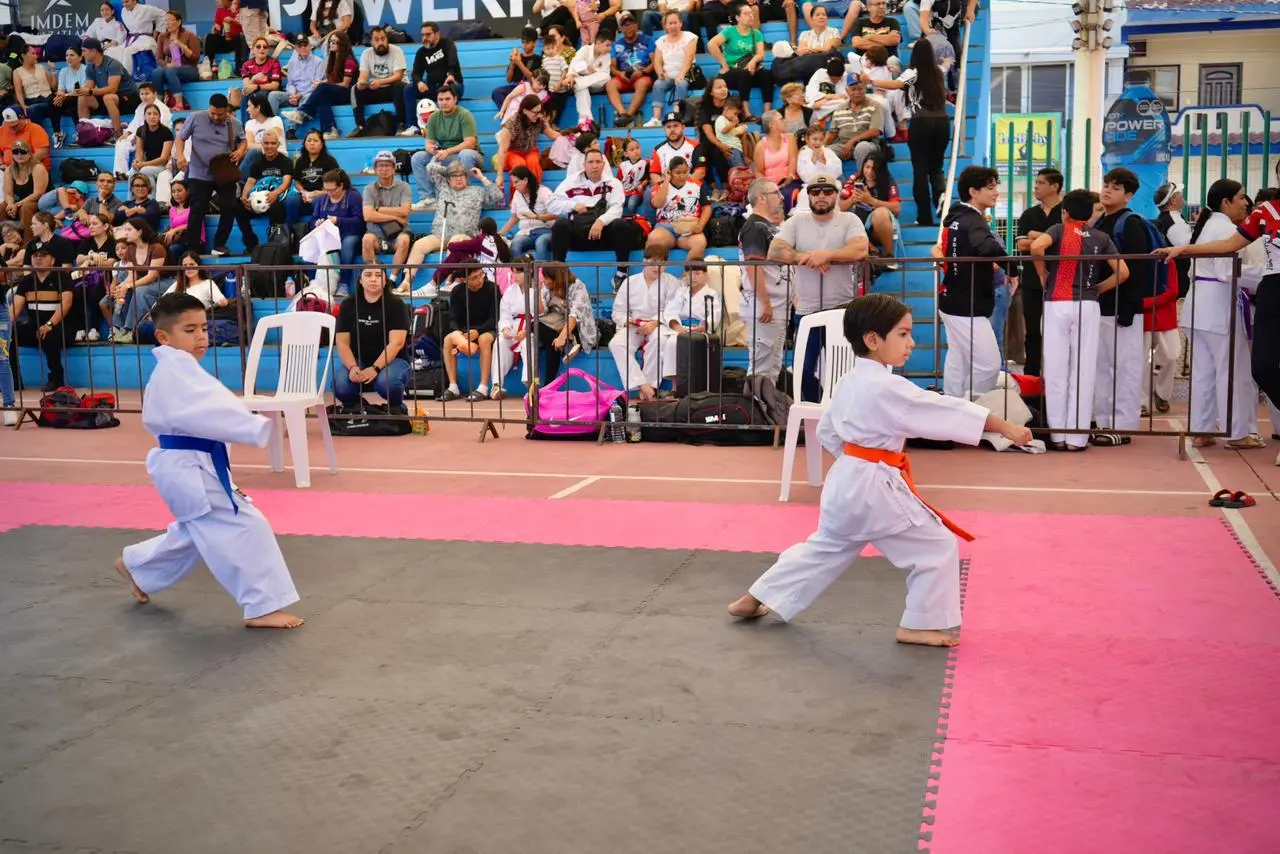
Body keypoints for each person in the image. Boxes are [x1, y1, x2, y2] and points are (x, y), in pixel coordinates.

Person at [727, 294, 1032, 644]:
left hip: (845, 481)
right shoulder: (887, 387)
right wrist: (1005, 427)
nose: (911, 343)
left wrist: (856, 460)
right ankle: (918, 624)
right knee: (937, 547)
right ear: (873, 339)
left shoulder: (847, 382)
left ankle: (754, 598)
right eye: (902, 334)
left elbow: (828, 431)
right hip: (873, 487)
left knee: (824, 548)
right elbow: (944, 410)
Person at [112, 292, 305, 630]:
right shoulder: (178, 371)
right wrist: (254, 426)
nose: (201, 336)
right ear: (164, 337)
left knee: (197, 531)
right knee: (246, 526)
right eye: (190, 330)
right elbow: (210, 408)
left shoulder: (180, 368)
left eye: (203, 327)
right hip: (189, 468)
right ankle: (261, 607)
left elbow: (209, 406)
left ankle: (137, 566)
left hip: (190, 465)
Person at [1029, 189, 1127, 452]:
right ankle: (1077, 439)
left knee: (1056, 369)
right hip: (1087, 305)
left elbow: (1037, 246)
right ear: (1091, 214)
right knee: (1083, 370)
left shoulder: (1059, 230)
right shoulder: (1101, 237)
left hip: (1056, 303)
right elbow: (1123, 272)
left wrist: (1043, 274)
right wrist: (1096, 289)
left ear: (1066, 212)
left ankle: (1058, 436)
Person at [1174, 179, 1266, 449]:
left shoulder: (1209, 226)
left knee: (1204, 372)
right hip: (1217, 307)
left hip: (1198, 306)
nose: (1245, 203)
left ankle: (1202, 430)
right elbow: (1226, 273)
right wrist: (1265, 275)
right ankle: (1238, 432)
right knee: (1232, 372)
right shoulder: (1225, 228)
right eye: (1240, 197)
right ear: (1226, 202)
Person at [770, 176, 869, 403]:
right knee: (803, 371)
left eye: (827, 191)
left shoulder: (849, 219)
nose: (821, 196)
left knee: (845, 372)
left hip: (842, 309)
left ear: (836, 194)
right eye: (816, 192)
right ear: (809, 195)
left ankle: (842, 415)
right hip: (807, 310)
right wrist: (805, 257)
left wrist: (827, 255)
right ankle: (822, 412)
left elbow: (859, 249)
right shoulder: (796, 222)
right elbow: (775, 250)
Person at [937, 166, 1012, 399]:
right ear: (973, 191)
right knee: (989, 364)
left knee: (957, 360)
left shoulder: (956, 219)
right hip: (965, 305)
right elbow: (988, 246)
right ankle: (976, 408)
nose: (996, 192)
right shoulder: (973, 220)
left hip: (952, 300)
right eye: (990, 187)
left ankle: (952, 410)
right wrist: (1013, 268)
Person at [1091, 167, 1151, 446]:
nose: (1107, 190)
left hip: (1123, 309)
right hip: (1100, 307)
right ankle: (1103, 422)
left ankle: (1125, 425)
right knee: (1101, 367)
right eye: (1106, 184)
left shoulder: (1131, 224)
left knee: (1126, 368)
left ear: (1128, 196)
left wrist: (1129, 308)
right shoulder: (1099, 223)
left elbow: (1137, 269)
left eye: (1115, 188)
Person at [398, 162, 504, 294]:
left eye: (462, 175)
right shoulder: (443, 188)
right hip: (440, 234)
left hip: (464, 235)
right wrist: (451, 169)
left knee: (456, 241)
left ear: (467, 178)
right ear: (448, 179)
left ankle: (449, 282)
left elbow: (498, 196)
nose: (458, 178)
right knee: (419, 245)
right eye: (454, 176)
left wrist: (481, 177)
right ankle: (407, 282)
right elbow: (431, 168)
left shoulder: (477, 191)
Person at [548, 149, 641, 291]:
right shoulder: (570, 182)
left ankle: (621, 273)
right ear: (584, 165)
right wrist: (573, 205)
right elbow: (551, 205)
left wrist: (600, 222)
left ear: (603, 165)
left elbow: (617, 208)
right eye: (590, 162)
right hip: (579, 234)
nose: (594, 165)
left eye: (598, 162)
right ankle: (558, 275)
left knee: (621, 224)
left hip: (603, 234)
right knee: (560, 224)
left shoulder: (613, 183)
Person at [179, 94, 258, 257]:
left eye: (220, 114)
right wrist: (179, 156)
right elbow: (180, 138)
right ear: (209, 108)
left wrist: (240, 151)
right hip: (198, 172)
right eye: (213, 113)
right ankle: (192, 249)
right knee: (197, 209)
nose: (216, 117)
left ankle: (219, 244)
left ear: (227, 111)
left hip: (223, 172)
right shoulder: (195, 117)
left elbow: (243, 141)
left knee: (229, 206)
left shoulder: (234, 124)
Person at [610, 244, 684, 399]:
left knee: (659, 340)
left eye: (661, 264)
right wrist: (628, 322)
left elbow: (673, 309)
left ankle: (650, 387)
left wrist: (654, 323)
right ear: (645, 261)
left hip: (660, 324)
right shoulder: (630, 282)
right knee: (616, 344)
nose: (657, 268)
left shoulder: (671, 282)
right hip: (635, 324)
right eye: (653, 263)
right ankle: (643, 384)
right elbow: (617, 312)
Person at [334, 266, 412, 413]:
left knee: (387, 383)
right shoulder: (348, 305)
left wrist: (375, 368)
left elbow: (397, 343)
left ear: (385, 281)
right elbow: (342, 342)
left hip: (394, 360)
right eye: (368, 275)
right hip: (359, 360)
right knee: (341, 385)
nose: (373, 279)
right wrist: (352, 367)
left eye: (378, 275)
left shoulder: (396, 305)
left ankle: (396, 407)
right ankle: (357, 408)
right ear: (360, 280)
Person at [1013, 167, 1064, 377]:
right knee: (1033, 331)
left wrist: (1036, 237)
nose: (1036, 186)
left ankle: (1056, 375)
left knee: (1059, 332)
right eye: (1036, 183)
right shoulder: (1029, 214)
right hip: (1033, 281)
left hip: (1061, 281)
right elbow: (1022, 245)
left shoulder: (1066, 211)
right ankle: (1032, 377)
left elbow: (1068, 242)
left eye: (1041, 183)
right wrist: (1048, 239)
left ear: (1055, 186)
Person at [739, 178, 791, 381]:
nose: (780, 197)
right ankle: (756, 410)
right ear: (761, 198)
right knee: (761, 369)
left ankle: (763, 410)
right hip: (765, 306)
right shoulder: (754, 226)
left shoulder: (766, 226)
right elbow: (753, 266)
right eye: (776, 193)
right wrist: (765, 303)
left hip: (776, 304)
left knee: (771, 368)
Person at [10, 242, 72, 393]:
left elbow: (66, 303)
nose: (38, 258)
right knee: (8, 334)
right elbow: (15, 309)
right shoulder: (27, 281)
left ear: (52, 260)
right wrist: (4, 326)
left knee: (48, 335)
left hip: (60, 327)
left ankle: (56, 379)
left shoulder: (62, 277)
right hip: (34, 327)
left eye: (43, 256)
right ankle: (14, 381)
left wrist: (49, 324)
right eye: (35, 256)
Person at [409, 85, 483, 210]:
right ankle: (428, 198)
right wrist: (432, 149)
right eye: (441, 100)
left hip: (470, 155)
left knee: (465, 154)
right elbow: (428, 142)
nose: (444, 102)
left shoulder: (465, 115)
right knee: (417, 157)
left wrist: (447, 151)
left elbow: (470, 143)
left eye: (447, 99)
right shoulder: (434, 117)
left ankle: (464, 196)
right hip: (447, 155)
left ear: (455, 99)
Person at [282, 31, 357, 139]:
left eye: (335, 42)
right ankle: (330, 129)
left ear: (342, 44)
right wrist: (323, 83)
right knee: (322, 96)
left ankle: (301, 112)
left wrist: (323, 84)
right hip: (337, 91)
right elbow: (332, 80)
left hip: (348, 93)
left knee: (321, 88)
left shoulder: (349, 61)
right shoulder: (333, 58)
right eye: (330, 41)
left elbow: (345, 84)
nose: (331, 44)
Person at [441, 267, 501, 402]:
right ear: (463, 280)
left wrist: (478, 331)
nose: (480, 279)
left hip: (487, 329)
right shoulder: (457, 291)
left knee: (484, 339)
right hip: (465, 332)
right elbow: (453, 319)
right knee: (447, 340)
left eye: (481, 275)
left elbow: (494, 317)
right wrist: (460, 334)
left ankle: (483, 387)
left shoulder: (492, 288)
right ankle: (453, 386)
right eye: (474, 278)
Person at [708, 4, 773, 119]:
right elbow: (711, 44)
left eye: (751, 13)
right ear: (737, 17)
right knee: (744, 74)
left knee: (766, 74)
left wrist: (753, 61)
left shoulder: (756, 33)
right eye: (746, 14)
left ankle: (767, 113)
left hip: (749, 69)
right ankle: (746, 112)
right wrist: (724, 64)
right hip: (732, 72)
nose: (751, 16)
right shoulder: (730, 32)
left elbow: (760, 54)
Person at [361, 150, 414, 287]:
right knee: (367, 240)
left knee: (404, 240)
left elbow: (405, 210)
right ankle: (374, 278)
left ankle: (392, 280)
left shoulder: (404, 187)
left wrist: (378, 209)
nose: (384, 169)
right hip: (376, 234)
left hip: (397, 233)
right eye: (380, 165)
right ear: (375, 169)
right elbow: (368, 215)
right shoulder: (369, 189)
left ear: (394, 168)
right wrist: (397, 218)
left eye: (387, 165)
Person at [310, 168, 364, 290]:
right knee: (313, 246)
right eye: (326, 190)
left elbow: (359, 221)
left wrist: (338, 221)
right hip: (328, 235)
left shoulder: (353, 197)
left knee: (347, 245)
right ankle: (317, 283)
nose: (328, 193)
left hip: (349, 233)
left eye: (332, 190)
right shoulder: (321, 200)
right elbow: (313, 219)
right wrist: (316, 223)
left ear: (341, 186)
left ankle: (343, 283)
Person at [78, 38, 141, 142]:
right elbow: (89, 87)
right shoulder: (90, 67)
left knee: (108, 97)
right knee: (83, 98)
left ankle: (118, 134)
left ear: (93, 51)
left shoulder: (113, 64)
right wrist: (78, 92)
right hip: (110, 100)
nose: (82, 54)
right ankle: (84, 134)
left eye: (84, 51)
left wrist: (89, 91)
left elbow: (113, 88)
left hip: (130, 99)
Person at [648, 155, 710, 261]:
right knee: (654, 239)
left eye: (685, 172)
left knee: (700, 242)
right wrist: (666, 181)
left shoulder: (697, 186)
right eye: (678, 173)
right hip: (666, 228)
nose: (682, 176)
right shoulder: (659, 186)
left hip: (688, 229)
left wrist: (700, 225)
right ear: (670, 172)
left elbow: (707, 208)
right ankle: (656, 275)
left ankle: (687, 276)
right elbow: (657, 204)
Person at [352, 26, 408, 136]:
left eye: (383, 38)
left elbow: (398, 76)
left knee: (399, 86)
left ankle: (402, 124)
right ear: (371, 42)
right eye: (377, 40)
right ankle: (360, 126)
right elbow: (363, 76)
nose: (380, 42)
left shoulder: (397, 51)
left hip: (394, 88)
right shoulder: (366, 54)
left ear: (387, 39)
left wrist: (380, 82)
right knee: (355, 89)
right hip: (376, 88)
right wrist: (361, 83)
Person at [646, 11, 697, 127]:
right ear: (665, 26)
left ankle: (677, 115)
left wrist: (681, 74)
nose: (673, 26)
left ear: (680, 23)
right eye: (670, 23)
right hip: (668, 74)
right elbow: (657, 61)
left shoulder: (690, 37)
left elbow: (689, 58)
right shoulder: (661, 41)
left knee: (681, 84)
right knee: (658, 84)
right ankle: (656, 118)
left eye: (675, 23)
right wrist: (660, 73)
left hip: (686, 72)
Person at [846, 151, 899, 262]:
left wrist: (870, 200)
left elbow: (896, 208)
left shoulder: (888, 181)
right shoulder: (855, 179)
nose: (869, 172)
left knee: (880, 213)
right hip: (856, 229)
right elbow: (839, 207)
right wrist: (852, 199)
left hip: (879, 230)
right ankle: (872, 249)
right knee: (841, 217)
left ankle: (889, 256)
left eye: (874, 168)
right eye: (867, 167)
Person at [407, 21, 464, 124]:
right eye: (422, 35)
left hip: (450, 84)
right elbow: (415, 73)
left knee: (452, 89)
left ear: (437, 34)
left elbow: (453, 60)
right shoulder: (421, 52)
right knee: (408, 90)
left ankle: (449, 124)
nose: (425, 38)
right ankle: (413, 125)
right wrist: (419, 82)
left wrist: (451, 74)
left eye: (428, 34)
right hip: (433, 88)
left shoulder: (447, 43)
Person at [605, 12, 654, 127]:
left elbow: (654, 62)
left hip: (641, 75)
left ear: (636, 26)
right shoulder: (616, 45)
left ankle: (629, 115)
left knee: (643, 83)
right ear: (621, 29)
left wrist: (642, 72)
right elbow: (612, 67)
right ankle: (622, 113)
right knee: (610, 84)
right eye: (625, 25)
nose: (628, 28)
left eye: (631, 24)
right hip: (623, 76)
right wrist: (620, 73)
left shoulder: (648, 40)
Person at [285, 129, 340, 225]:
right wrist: (303, 192)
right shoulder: (300, 161)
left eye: (315, 141)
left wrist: (322, 193)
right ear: (305, 144)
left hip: (323, 194)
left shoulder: (329, 161)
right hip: (304, 195)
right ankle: (293, 231)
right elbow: (297, 181)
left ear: (322, 144)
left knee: (318, 202)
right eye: (309, 140)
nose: (312, 143)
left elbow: (337, 183)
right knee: (291, 201)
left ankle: (315, 229)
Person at [152, 10, 201, 112]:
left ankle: (179, 103)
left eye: (170, 20)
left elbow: (196, 57)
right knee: (156, 72)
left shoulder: (189, 35)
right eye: (166, 20)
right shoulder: (162, 37)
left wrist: (181, 45)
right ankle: (159, 104)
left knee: (171, 71)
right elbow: (159, 58)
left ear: (178, 22)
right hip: (170, 67)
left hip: (189, 68)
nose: (167, 23)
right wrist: (167, 64)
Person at [241, 128, 292, 226]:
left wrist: (275, 193)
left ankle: (276, 236)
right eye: (266, 143)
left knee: (277, 207)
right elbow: (250, 182)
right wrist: (244, 197)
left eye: (273, 143)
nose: (269, 146)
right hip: (259, 198)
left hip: (278, 197)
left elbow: (286, 182)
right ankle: (249, 238)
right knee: (237, 208)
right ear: (262, 144)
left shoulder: (286, 161)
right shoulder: (257, 163)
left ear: (278, 144)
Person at [565, 32, 614, 126]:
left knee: (606, 77)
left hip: (596, 85)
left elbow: (603, 75)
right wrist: (570, 76)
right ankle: (586, 121)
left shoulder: (607, 56)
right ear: (598, 43)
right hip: (583, 82)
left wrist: (592, 71)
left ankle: (577, 83)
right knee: (582, 89)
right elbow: (573, 65)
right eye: (607, 45)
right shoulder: (585, 50)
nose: (609, 48)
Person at [272, 35, 325, 121]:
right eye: (300, 46)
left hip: (308, 94)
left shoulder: (318, 62)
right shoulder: (292, 62)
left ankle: (291, 129)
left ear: (310, 46)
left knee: (306, 97)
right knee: (273, 95)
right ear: (296, 48)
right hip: (295, 94)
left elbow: (316, 86)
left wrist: (300, 95)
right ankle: (273, 124)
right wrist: (293, 94)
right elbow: (290, 84)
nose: (303, 48)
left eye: (305, 45)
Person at [2, 139, 47, 234]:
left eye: (23, 152)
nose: (19, 155)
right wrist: (10, 204)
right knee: (2, 207)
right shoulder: (9, 170)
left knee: (26, 207)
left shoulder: (38, 168)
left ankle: (27, 242)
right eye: (15, 152)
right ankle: (4, 239)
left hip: (37, 202)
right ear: (12, 155)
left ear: (29, 154)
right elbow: (8, 193)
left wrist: (17, 204)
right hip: (18, 202)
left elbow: (38, 193)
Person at [204, 0, 247, 69]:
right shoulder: (219, 10)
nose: (216, 1)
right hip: (227, 39)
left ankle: (240, 69)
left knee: (239, 37)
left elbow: (248, 26)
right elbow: (218, 28)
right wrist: (215, 30)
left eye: (218, 0)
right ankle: (207, 67)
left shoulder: (240, 8)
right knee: (210, 37)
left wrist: (233, 20)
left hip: (241, 40)